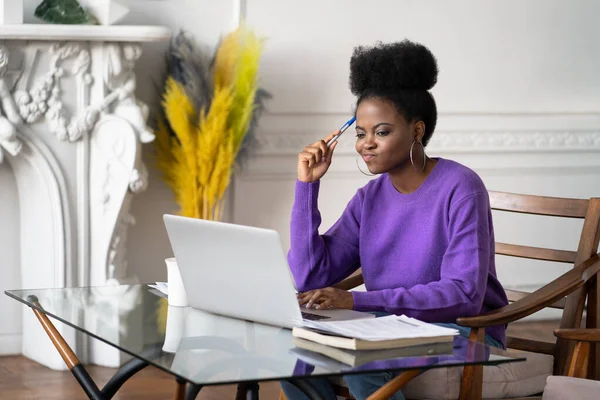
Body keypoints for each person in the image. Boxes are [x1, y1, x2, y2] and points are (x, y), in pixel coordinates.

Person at [281, 40, 509, 400]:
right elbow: (310, 275)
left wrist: (356, 302)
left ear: (417, 131)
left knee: (361, 361)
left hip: (464, 329)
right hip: (389, 326)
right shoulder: (369, 199)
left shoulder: (461, 187)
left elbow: (463, 294)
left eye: (381, 132)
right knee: (289, 351)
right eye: (360, 133)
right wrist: (307, 187)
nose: (366, 144)